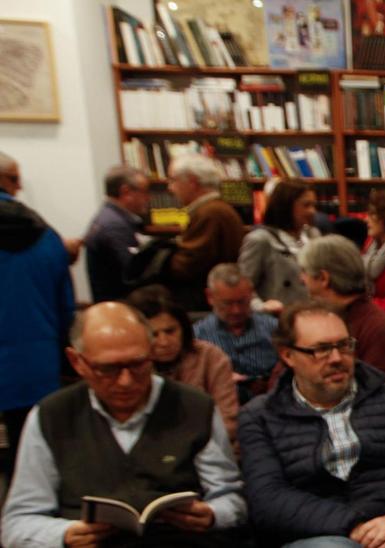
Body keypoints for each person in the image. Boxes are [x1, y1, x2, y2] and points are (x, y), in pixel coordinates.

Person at [1, 302, 246, 547]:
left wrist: (213, 515)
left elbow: (230, 498)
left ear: (151, 352)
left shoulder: (194, 407)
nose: (126, 381)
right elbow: (18, 522)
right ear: (77, 362)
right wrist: (64, 534)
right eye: (108, 369)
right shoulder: (52, 415)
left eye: (138, 365)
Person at [239, 301, 385, 547]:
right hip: (317, 536)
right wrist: (358, 529)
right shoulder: (260, 416)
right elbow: (268, 499)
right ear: (288, 355)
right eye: (321, 350)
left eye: (344, 345)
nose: (337, 358)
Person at [0, 151, 75, 480]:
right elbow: (65, 307)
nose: (19, 187)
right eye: (15, 179)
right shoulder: (46, 235)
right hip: (36, 360)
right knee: (30, 456)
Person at [128, 286, 240, 442]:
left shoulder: (210, 356)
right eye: (153, 334)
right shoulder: (128, 367)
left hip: (207, 447)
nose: (164, 342)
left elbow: (228, 420)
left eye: (170, 331)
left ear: (183, 328)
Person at [299, 235, 385, 378]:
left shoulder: (378, 328)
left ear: (323, 278)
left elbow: (382, 395)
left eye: (304, 272)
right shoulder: (311, 320)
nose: (301, 279)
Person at [165, 154, 246, 312]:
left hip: (208, 303)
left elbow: (188, 264)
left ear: (193, 182)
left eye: (173, 180)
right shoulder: (215, 209)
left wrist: (163, 261)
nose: (170, 188)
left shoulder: (210, 213)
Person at [194, 264, 281, 404]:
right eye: (227, 303)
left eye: (242, 302)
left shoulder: (275, 329)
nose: (236, 310)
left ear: (251, 294)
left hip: (272, 405)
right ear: (210, 296)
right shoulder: (196, 337)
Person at [238, 180, 320, 312]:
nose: (312, 211)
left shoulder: (313, 235)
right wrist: (262, 307)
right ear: (286, 206)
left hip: (313, 317)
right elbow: (243, 286)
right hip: (277, 321)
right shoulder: (260, 240)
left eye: (314, 205)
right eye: (306, 205)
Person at [85, 166, 150, 302]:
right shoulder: (114, 226)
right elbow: (133, 272)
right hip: (121, 306)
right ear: (125, 192)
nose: (148, 198)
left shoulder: (110, 218)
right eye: (144, 192)